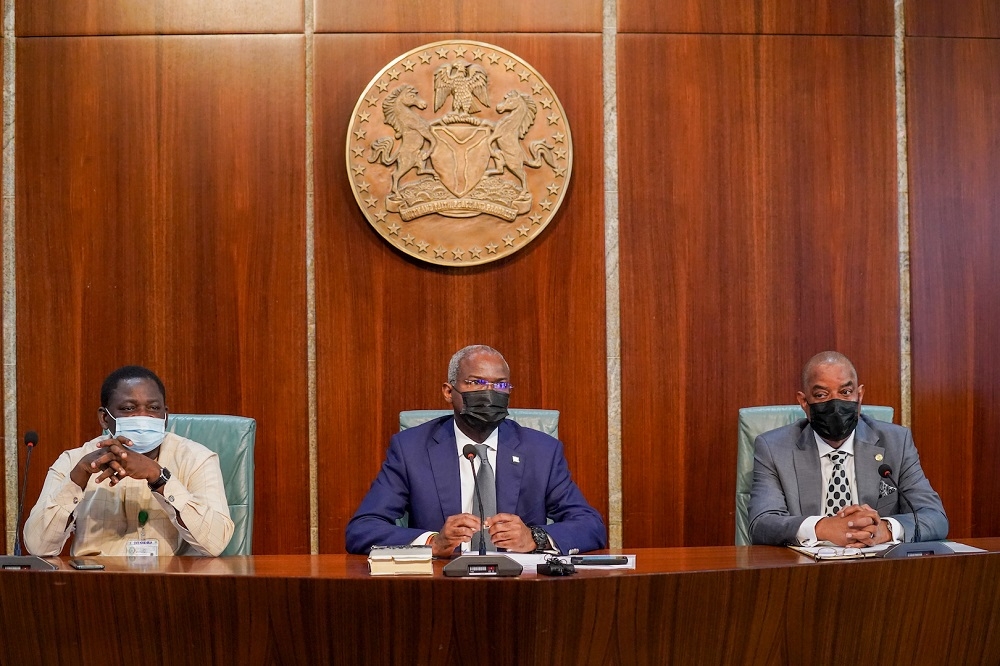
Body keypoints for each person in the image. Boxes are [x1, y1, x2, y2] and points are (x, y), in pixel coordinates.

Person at [346, 345, 607, 556]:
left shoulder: (541, 451)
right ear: (449, 391)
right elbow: (363, 529)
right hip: (440, 587)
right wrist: (433, 542)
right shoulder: (411, 449)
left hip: (521, 589)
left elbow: (590, 526)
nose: (489, 393)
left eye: (500, 385)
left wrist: (534, 538)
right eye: (476, 383)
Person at [23, 365, 234, 557]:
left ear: (165, 416)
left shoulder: (197, 458)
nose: (143, 416)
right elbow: (38, 548)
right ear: (105, 418)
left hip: (169, 584)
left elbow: (215, 544)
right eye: (128, 408)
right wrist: (78, 479)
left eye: (153, 408)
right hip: (93, 584)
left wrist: (159, 478)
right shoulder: (74, 461)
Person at [748, 351, 948, 547]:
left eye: (845, 392)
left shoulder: (896, 442)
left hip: (877, 570)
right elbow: (761, 523)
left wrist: (884, 530)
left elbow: (934, 517)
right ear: (803, 402)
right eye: (821, 395)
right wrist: (824, 527)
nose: (836, 404)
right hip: (805, 571)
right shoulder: (774, 448)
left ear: (859, 396)